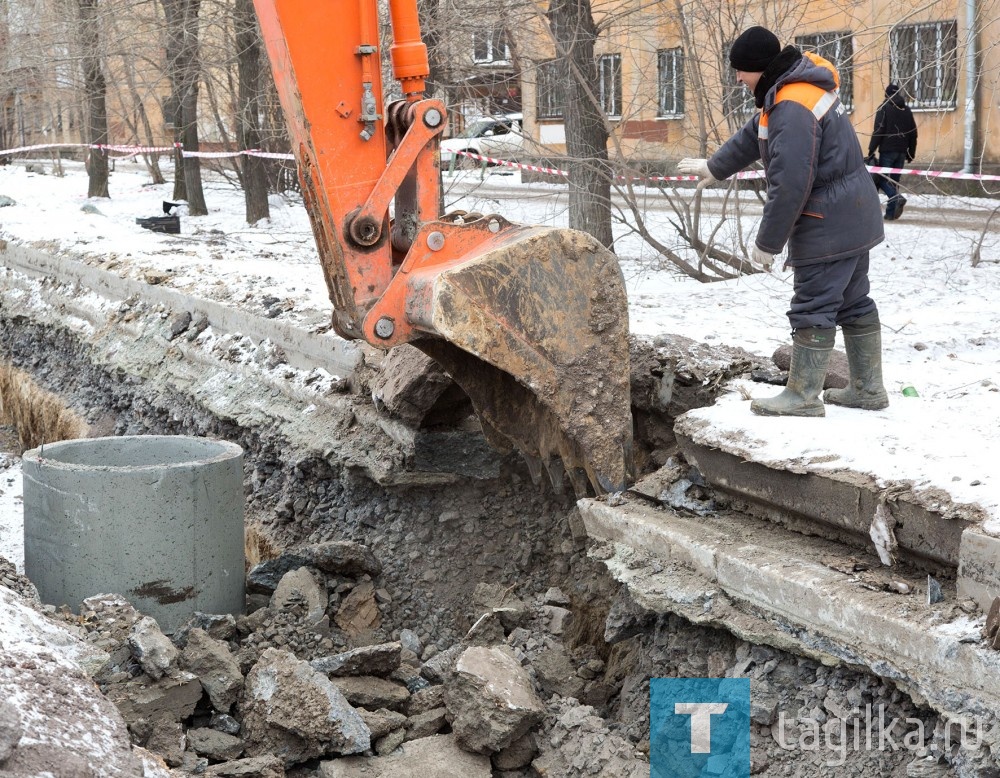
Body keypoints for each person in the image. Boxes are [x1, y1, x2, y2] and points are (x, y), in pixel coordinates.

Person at [678, 26, 889, 417]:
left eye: (741, 70)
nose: (738, 78)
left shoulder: (791, 106)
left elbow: (790, 184)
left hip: (827, 223)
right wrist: (716, 166)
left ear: (760, 67)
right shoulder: (794, 90)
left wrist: (767, 242)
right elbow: (754, 135)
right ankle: (867, 389)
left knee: (813, 303)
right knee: (853, 300)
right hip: (854, 214)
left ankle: (803, 396)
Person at [867, 83, 918, 220]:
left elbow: (879, 131)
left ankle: (896, 198)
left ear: (886, 95)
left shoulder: (884, 109)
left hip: (887, 150)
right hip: (902, 151)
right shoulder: (906, 110)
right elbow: (913, 133)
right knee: (894, 181)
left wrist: (871, 149)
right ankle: (891, 213)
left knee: (882, 178)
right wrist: (910, 153)